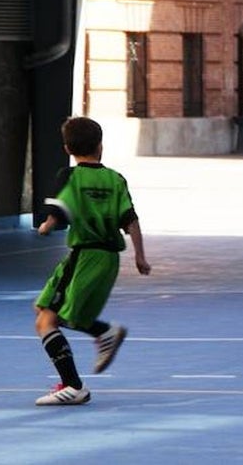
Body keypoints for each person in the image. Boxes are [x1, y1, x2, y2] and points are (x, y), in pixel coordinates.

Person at [33, 116, 151, 406]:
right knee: (43, 308)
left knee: (47, 320)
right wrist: (139, 255)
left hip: (85, 255)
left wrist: (47, 225)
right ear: (100, 146)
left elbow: (58, 211)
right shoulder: (115, 179)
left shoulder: (69, 176)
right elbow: (130, 220)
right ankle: (102, 333)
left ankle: (73, 386)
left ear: (67, 148)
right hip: (107, 257)